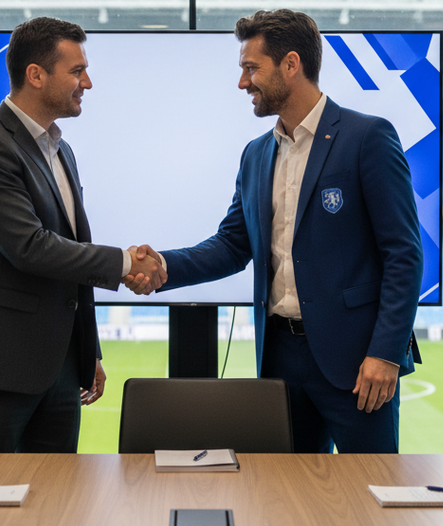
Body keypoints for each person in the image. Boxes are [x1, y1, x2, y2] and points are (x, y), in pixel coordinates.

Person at [128, 9, 422, 454]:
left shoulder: (368, 137)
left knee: (371, 487)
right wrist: (162, 265)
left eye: (251, 68)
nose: (242, 83)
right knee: (286, 491)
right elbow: (232, 245)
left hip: (358, 363)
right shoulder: (256, 154)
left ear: (291, 64)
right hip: (279, 359)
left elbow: (404, 254)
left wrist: (385, 353)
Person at [0, 17, 165, 453]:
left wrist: (88, 351)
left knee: (57, 493)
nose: (87, 83)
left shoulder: (62, 151)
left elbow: (71, 251)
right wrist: (125, 262)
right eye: (77, 71)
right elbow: (30, 247)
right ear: (35, 75)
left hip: (59, 371)